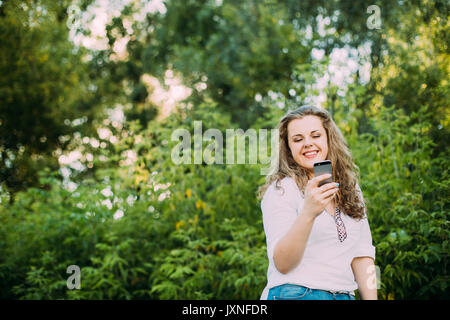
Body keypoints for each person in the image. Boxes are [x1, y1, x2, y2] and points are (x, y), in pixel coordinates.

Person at [258, 105, 377, 300]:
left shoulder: (351, 189)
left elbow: (364, 254)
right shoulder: (282, 189)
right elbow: (283, 263)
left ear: (329, 139)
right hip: (296, 293)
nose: (307, 143)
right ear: (288, 148)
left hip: (344, 295)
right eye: (298, 139)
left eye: (315, 135)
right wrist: (308, 213)